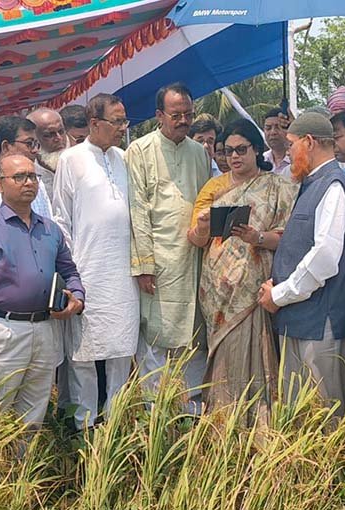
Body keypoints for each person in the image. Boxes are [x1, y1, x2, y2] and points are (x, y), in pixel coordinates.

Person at [0, 154, 84, 426]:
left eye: (32, 176)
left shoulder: (50, 229)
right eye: (19, 177)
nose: (29, 182)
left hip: (46, 329)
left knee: (33, 413)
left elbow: (70, 272)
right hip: (4, 330)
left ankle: (23, 467)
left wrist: (77, 297)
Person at [188, 119, 297, 421]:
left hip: (254, 291)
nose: (234, 156)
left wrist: (257, 238)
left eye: (242, 149)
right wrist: (201, 226)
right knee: (223, 361)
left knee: (255, 360)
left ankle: (259, 427)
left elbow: (290, 239)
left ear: (257, 149)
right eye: (228, 151)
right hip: (217, 294)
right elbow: (195, 239)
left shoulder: (280, 187)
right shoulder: (215, 187)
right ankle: (223, 429)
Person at [257, 111, 345, 416]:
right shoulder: (312, 183)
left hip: (321, 324)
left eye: (292, 144)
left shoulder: (333, 185)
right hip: (299, 318)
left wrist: (279, 294)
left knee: (323, 416)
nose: (288, 152)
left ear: (309, 141)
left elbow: (325, 258)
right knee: (297, 415)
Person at [52, 94, 138, 429]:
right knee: (84, 356)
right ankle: (84, 428)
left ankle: (115, 426)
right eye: (116, 122)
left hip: (123, 275)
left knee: (120, 352)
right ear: (94, 123)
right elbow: (62, 221)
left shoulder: (124, 158)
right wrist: (73, 278)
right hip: (87, 273)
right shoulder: (71, 159)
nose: (122, 128)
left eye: (124, 121)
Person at [125, 83, 211, 412]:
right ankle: (155, 415)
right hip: (158, 263)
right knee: (156, 340)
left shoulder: (199, 152)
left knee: (193, 336)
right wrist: (144, 265)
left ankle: (192, 415)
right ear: (159, 115)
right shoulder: (140, 150)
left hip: (193, 261)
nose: (184, 121)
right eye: (176, 115)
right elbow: (138, 210)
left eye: (188, 114)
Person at [27, 108, 69, 199]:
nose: (58, 138)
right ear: (34, 139)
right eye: (49, 134)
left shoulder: (79, 164)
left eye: (61, 131)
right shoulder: (29, 174)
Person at [263, 108, 292, 179]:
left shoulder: (298, 161)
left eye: (277, 127)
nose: (273, 132)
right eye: (268, 128)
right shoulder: (261, 160)